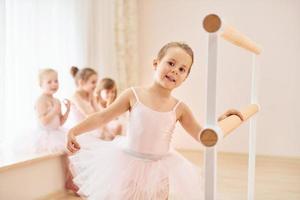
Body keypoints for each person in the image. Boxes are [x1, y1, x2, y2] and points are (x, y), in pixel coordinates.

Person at [67, 42, 244, 199]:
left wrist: (220, 121)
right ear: (156, 63)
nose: (175, 70)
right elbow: (102, 116)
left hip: (159, 170)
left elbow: (202, 135)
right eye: (171, 63)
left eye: (182, 69)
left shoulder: (179, 108)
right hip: (128, 165)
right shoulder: (133, 94)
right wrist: (74, 131)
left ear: (185, 77)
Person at [34, 68, 70, 153]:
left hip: (57, 133)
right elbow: (43, 121)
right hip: (46, 135)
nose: (54, 84)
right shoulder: (41, 100)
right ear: (41, 85)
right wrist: (54, 110)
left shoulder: (56, 101)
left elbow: (60, 122)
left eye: (56, 81)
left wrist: (67, 110)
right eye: (49, 82)